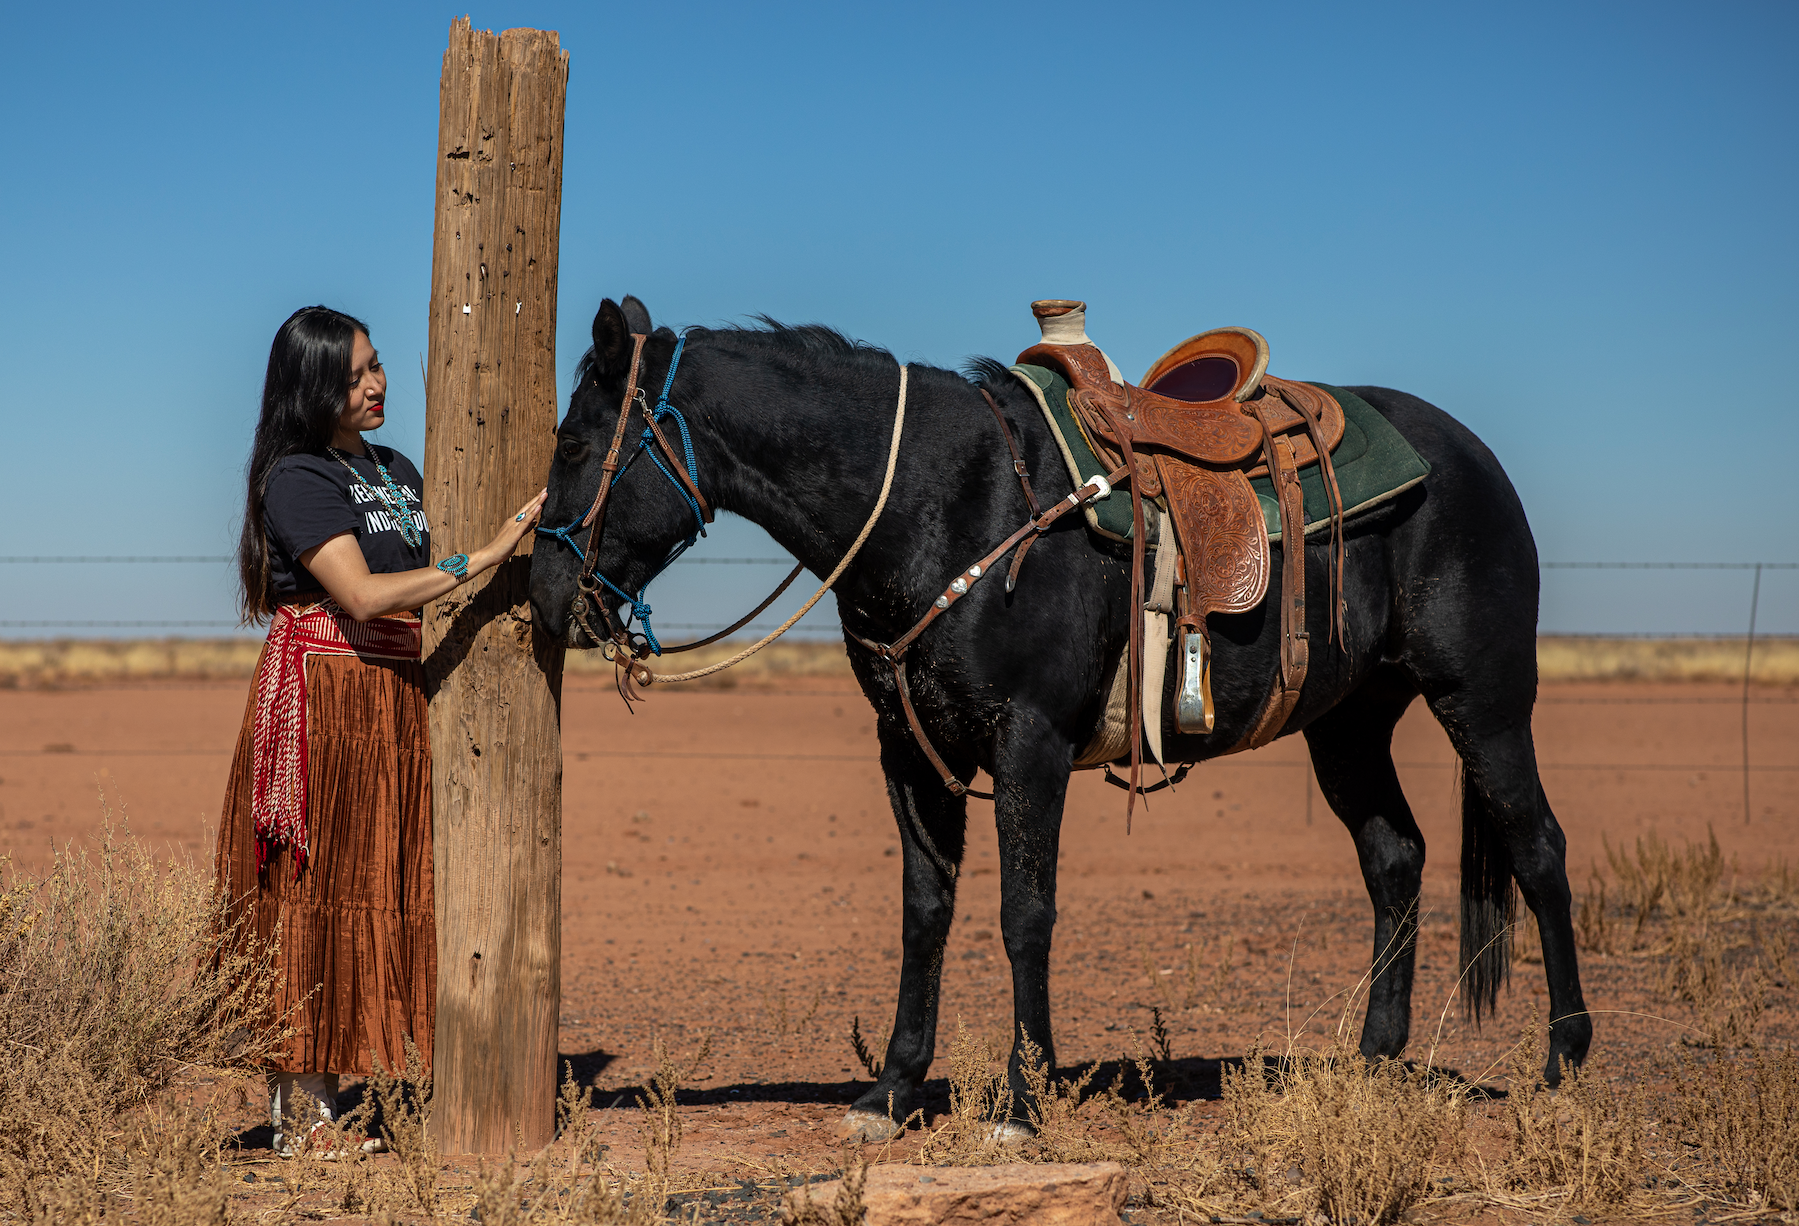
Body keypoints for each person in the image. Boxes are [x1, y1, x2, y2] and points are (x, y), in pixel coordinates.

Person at [214, 305, 545, 1157]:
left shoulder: (397, 467)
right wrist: (488, 554)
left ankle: (392, 1078)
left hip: (395, 697)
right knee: (312, 893)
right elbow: (360, 596)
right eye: (355, 372)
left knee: (387, 880)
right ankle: (304, 1116)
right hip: (326, 700)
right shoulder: (296, 475)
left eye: (377, 364)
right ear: (313, 384)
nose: (377, 382)